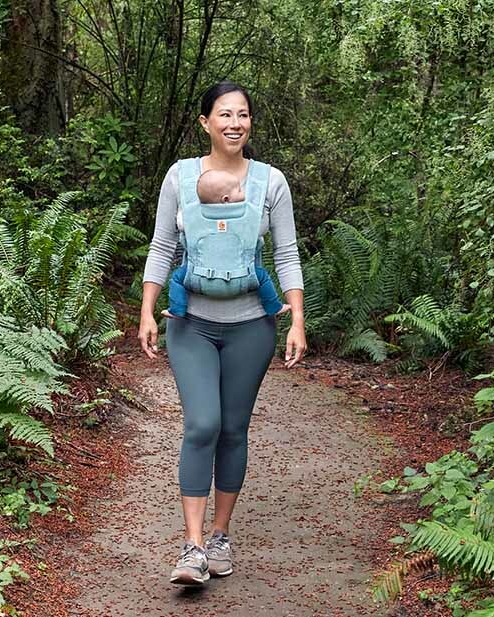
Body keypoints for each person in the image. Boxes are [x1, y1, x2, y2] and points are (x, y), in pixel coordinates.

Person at [138, 80, 307, 586]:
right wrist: (147, 311)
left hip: (251, 326)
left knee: (233, 429)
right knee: (202, 425)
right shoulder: (181, 176)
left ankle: (219, 536)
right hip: (190, 325)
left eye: (243, 115)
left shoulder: (270, 182)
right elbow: (162, 245)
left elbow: (286, 253)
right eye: (225, 114)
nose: (235, 123)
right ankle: (190, 548)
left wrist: (296, 319)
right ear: (205, 122)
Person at [162, 168, 288, 318]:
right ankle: (273, 307)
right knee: (263, 277)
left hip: (198, 277)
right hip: (243, 277)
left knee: (177, 278)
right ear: (226, 199)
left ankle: (177, 309)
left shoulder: (191, 218)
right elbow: (259, 234)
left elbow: (180, 224)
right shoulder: (248, 218)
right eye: (239, 190)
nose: (244, 193)